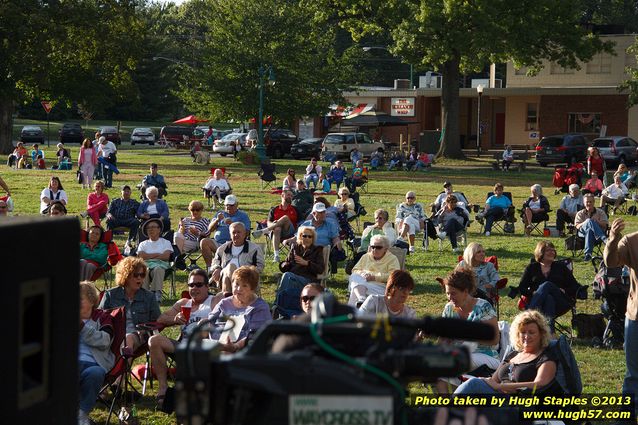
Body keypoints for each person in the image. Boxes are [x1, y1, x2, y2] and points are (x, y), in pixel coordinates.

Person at [148, 269, 222, 408]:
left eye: (199, 285)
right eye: (191, 285)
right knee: (154, 340)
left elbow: (228, 296)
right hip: (183, 346)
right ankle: (163, 388)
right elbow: (161, 318)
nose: (194, 288)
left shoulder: (214, 301)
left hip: (203, 347)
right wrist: (175, 319)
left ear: (207, 286)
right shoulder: (184, 302)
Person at [455, 310, 561, 395]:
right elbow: (494, 381)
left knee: (473, 385)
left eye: (531, 332)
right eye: (523, 332)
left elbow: (539, 384)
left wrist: (501, 387)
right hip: (499, 398)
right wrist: (485, 381)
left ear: (541, 334)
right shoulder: (513, 355)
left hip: (521, 405)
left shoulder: (546, 357)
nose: (526, 336)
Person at [437, 268, 500, 393]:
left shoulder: (483, 307)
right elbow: (443, 339)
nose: (450, 298)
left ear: (465, 291)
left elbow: (494, 339)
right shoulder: (449, 309)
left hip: (486, 355)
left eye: (453, 293)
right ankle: (448, 407)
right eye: (448, 293)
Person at [604, 218, 638, 413]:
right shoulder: (631, 241)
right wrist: (613, 240)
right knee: (634, 374)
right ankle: (627, 414)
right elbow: (611, 262)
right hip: (636, 316)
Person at [99, 256, 161, 351]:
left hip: (138, 336)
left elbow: (156, 321)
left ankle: (123, 365)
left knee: (128, 339)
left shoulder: (149, 297)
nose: (140, 278)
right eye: (136, 275)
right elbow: (99, 318)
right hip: (113, 335)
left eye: (142, 275)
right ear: (126, 276)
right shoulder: (110, 295)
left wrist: (144, 329)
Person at [517, 241, 580, 332]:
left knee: (547, 285)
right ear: (540, 252)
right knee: (548, 299)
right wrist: (533, 293)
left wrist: (565, 290)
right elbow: (521, 288)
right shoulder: (531, 268)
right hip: (541, 302)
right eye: (548, 250)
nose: (551, 252)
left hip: (560, 301)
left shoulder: (561, 267)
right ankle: (550, 334)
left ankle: (529, 314)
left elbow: (576, 287)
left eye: (553, 250)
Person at [207, 266, 271, 352]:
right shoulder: (224, 303)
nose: (239, 289)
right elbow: (209, 322)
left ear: (252, 289)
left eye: (244, 286)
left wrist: (235, 347)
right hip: (215, 346)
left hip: (243, 352)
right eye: (236, 284)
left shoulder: (260, 307)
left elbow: (255, 336)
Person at [78, 281, 115, 425]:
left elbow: (105, 341)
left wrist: (82, 327)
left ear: (92, 300)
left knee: (96, 373)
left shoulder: (103, 317)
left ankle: (81, 414)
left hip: (94, 363)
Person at [210, 222, 264, 292]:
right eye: (233, 232)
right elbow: (215, 262)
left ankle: (228, 298)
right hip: (223, 278)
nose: (236, 235)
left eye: (239, 232)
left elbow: (260, 266)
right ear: (230, 235)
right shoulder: (222, 249)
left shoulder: (254, 249)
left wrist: (245, 272)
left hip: (246, 279)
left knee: (230, 268)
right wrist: (217, 268)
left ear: (245, 234)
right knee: (230, 268)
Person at [348, 235, 400, 306]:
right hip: (364, 282)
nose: (375, 250)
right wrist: (362, 273)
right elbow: (355, 270)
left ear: (385, 248)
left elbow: (394, 276)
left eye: (378, 247)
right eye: (373, 247)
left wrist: (374, 277)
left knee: (355, 287)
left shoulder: (392, 259)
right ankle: (361, 299)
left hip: (381, 287)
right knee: (354, 277)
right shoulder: (366, 256)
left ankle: (352, 310)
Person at [252, 190, 297, 262]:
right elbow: (268, 223)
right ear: (282, 195)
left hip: (289, 232)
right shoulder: (274, 209)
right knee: (277, 228)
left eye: (291, 196)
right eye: (288, 195)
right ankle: (276, 256)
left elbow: (301, 222)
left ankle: (263, 231)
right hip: (276, 233)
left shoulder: (295, 209)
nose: (290, 197)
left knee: (285, 217)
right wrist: (275, 224)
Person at [136, 218, 173, 302]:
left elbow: (166, 256)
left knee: (158, 269)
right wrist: (158, 254)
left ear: (159, 229)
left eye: (153, 227)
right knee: (145, 270)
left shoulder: (165, 242)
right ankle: (144, 294)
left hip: (161, 266)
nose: (151, 229)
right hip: (146, 265)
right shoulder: (143, 244)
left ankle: (156, 294)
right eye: (148, 228)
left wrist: (148, 256)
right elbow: (141, 257)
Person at [279, 226, 325, 290]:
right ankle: (283, 299)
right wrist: (284, 264)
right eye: (304, 236)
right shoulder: (295, 248)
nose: (307, 238)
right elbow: (287, 263)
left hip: (308, 279)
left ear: (312, 239)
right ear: (300, 237)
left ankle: (279, 299)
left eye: (310, 236)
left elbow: (320, 269)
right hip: (293, 276)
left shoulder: (317, 250)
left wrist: (307, 263)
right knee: (286, 280)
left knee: (287, 277)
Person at [174, 200, 212, 264]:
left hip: (195, 242)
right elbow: (179, 235)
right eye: (192, 210)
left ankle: (177, 259)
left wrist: (197, 233)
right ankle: (179, 259)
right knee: (176, 235)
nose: (195, 212)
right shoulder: (185, 220)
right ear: (189, 210)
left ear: (201, 210)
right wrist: (182, 228)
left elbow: (208, 233)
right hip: (183, 241)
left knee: (173, 247)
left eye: (197, 210)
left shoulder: (205, 221)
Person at [575, 193, 609, 261]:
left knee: (589, 231)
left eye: (590, 202)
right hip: (582, 234)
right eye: (587, 202)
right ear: (584, 203)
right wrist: (587, 222)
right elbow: (577, 226)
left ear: (594, 202)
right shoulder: (580, 213)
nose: (589, 203)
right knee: (589, 221)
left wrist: (596, 222)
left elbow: (605, 224)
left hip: (594, 234)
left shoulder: (600, 212)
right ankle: (604, 238)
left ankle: (588, 254)